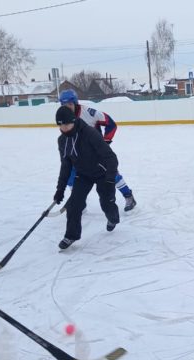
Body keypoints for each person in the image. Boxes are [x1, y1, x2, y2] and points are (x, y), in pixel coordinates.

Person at [54, 105, 120, 250]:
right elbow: (65, 166)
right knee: (73, 205)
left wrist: (110, 177)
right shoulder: (62, 141)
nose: (64, 128)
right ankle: (71, 235)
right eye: (60, 125)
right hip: (83, 174)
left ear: (73, 121)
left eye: (66, 124)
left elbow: (110, 157)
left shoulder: (89, 133)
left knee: (106, 203)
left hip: (102, 173)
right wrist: (60, 190)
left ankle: (113, 218)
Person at [58, 89, 137, 212]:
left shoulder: (89, 113)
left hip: (96, 153)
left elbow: (111, 124)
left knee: (111, 174)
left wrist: (105, 142)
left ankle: (129, 196)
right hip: (77, 153)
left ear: (75, 103)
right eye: (64, 105)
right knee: (70, 176)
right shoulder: (64, 116)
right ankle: (79, 202)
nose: (67, 107)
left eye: (70, 104)